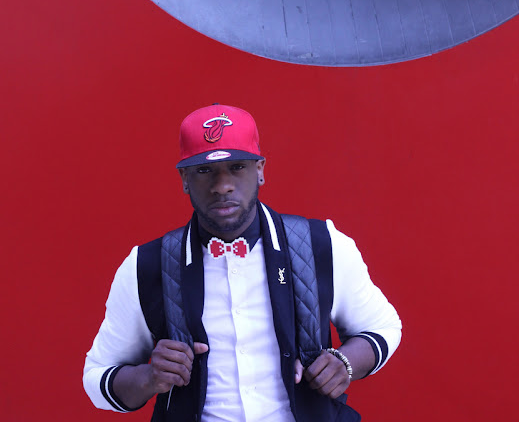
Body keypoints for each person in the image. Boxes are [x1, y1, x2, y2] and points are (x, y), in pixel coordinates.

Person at [83, 104, 401, 421]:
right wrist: (149, 377)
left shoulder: (323, 244)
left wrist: (344, 363)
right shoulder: (146, 265)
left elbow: (382, 327)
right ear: (184, 178)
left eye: (237, 167)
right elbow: (97, 376)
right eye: (204, 170)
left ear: (260, 170)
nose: (222, 186)